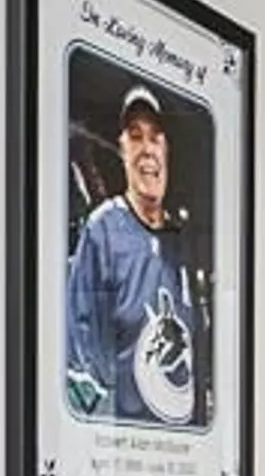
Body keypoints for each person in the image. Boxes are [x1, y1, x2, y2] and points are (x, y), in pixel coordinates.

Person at [62, 80, 203, 426]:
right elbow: (80, 357)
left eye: (155, 137)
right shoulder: (102, 230)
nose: (147, 149)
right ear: (122, 148)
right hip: (125, 452)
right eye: (135, 136)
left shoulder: (181, 244)